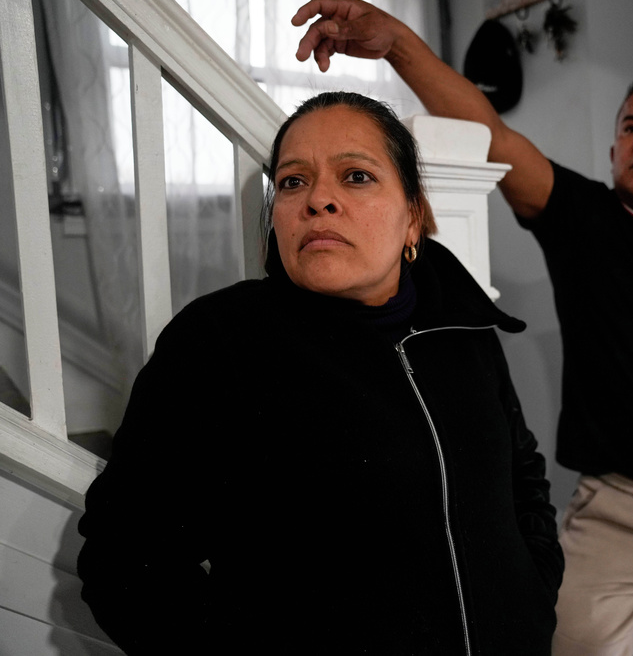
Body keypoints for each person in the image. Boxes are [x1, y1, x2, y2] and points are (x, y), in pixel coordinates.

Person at [291, 0, 633, 656]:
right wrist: (395, 44)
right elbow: (491, 135)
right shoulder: (581, 216)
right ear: (613, 149)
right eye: (632, 126)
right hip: (616, 514)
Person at [76, 91, 563, 655]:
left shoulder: (463, 325)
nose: (318, 200)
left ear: (412, 218)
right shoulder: (222, 344)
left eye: (356, 176)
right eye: (292, 182)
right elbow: (123, 561)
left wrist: (533, 596)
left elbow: (521, 476)